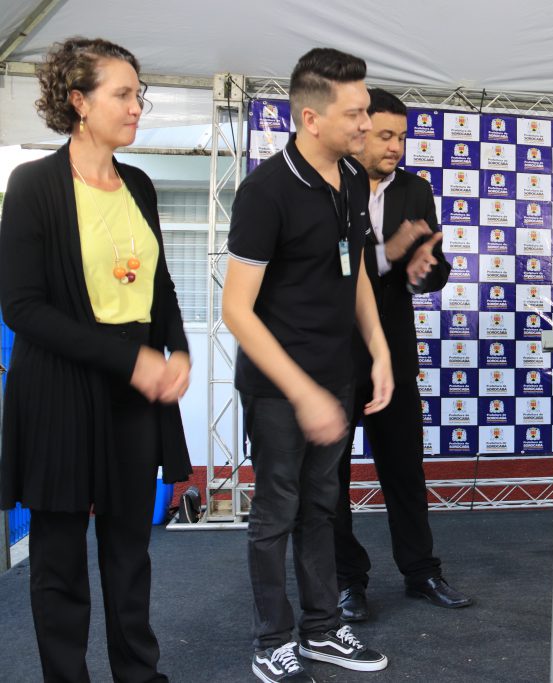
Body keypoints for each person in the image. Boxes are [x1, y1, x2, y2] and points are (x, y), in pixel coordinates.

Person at [0, 37, 191, 681]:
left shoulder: (139, 185)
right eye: (124, 94)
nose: (137, 107)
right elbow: (22, 307)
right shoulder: (33, 184)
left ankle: (139, 674)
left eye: (140, 95)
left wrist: (178, 347)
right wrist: (129, 360)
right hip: (58, 391)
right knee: (59, 562)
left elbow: (159, 286)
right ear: (79, 102)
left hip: (131, 396)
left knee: (130, 553)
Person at [222, 48, 394, 681]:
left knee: (323, 508)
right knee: (276, 513)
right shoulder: (264, 191)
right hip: (278, 389)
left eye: (366, 109)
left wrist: (379, 350)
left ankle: (321, 629)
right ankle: (272, 640)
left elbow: (356, 273)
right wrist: (303, 392)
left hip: (336, 377)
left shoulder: (351, 179)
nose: (367, 123)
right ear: (310, 118)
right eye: (355, 113)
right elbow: (236, 310)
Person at [334, 88, 471, 622]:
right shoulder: (328, 183)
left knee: (405, 471)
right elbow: (327, 268)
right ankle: (347, 582)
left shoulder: (416, 189)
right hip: (333, 357)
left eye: (402, 137)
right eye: (385, 136)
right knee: (331, 482)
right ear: (359, 131)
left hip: (393, 355)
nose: (396, 147)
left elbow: (433, 264)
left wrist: (421, 271)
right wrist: (387, 255)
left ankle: (421, 572)